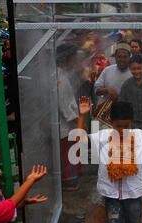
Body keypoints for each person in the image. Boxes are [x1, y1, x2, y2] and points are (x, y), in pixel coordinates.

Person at [56, 43, 82, 191]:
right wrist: (80, 123)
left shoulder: (62, 75)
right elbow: (65, 107)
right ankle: (69, 182)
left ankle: (70, 179)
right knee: (68, 155)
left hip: (68, 126)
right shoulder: (60, 78)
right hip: (66, 127)